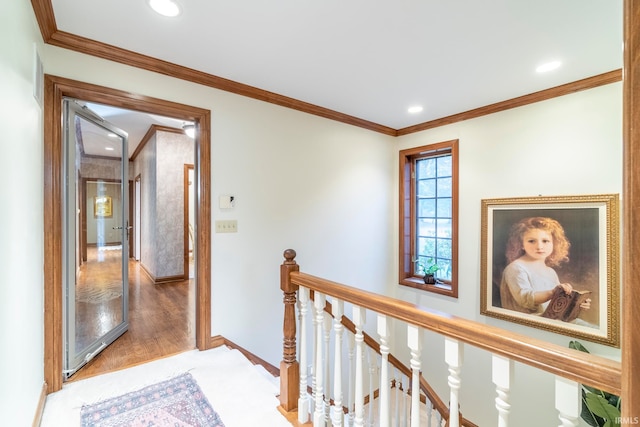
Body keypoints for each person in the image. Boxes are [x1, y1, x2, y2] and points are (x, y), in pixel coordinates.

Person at [499, 216, 591, 318]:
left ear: (554, 244)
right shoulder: (516, 268)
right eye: (531, 241)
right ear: (521, 244)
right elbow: (525, 299)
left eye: (545, 241)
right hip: (528, 321)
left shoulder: (550, 272)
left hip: (551, 319)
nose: (539, 246)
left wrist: (576, 303)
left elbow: (556, 303)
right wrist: (552, 293)